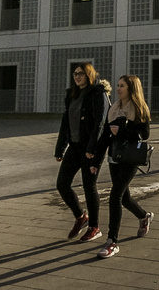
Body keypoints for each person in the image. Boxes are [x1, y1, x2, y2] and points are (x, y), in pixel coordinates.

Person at [88, 74, 154, 259]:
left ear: (131, 88)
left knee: (115, 195)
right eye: (117, 85)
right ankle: (144, 216)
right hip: (114, 158)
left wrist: (123, 130)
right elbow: (105, 138)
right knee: (124, 198)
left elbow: (145, 134)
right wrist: (95, 162)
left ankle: (112, 242)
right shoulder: (114, 109)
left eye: (122, 86)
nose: (118, 88)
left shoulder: (139, 109)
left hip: (130, 159)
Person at [56, 63, 109, 243]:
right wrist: (60, 148)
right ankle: (81, 217)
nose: (77, 77)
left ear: (89, 75)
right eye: (75, 74)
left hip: (90, 148)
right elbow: (66, 123)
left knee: (89, 186)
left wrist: (92, 149)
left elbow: (100, 124)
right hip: (74, 146)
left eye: (81, 73)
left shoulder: (97, 94)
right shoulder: (72, 94)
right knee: (62, 184)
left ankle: (94, 227)